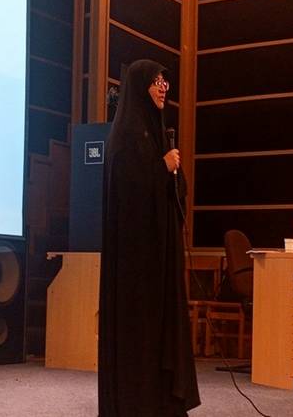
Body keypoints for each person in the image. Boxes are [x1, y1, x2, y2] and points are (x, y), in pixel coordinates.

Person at [98, 59, 200, 416]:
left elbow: (175, 191)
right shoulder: (124, 137)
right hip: (136, 266)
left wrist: (171, 171)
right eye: (156, 81)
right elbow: (129, 197)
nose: (163, 87)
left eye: (164, 82)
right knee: (139, 337)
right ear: (139, 87)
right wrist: (161, 168)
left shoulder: (157, 134)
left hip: (160, 258)